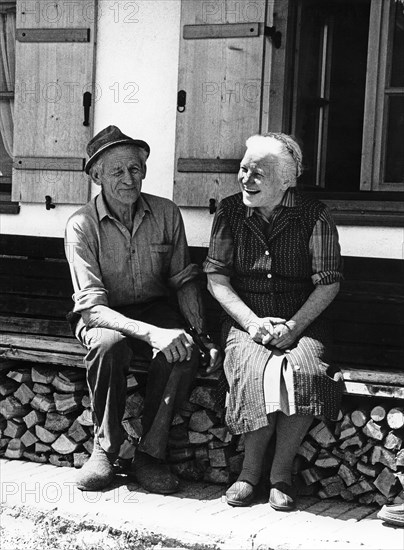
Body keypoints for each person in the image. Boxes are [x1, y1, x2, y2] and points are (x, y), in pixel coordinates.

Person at [65, 125, 221, 494]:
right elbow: (92, 308)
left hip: (154, 308)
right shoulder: (81, 225)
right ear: (96, 176)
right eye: (116, 171)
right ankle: (104, 447)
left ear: (145, 171)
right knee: (108, 346)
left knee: (183, 353)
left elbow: (184, 279)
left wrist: (200, 335)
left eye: (134, 168)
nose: (128, 178)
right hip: (105, 313)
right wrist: (152, 334)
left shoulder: (166, 213)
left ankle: (150, 454)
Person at [204, 133, 344, 511]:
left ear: (286, 180)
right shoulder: (230, 212)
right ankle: (249, 474)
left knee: (304, 371)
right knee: (253, 369)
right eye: (243, 168)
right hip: (245, 318)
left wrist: (294, 327)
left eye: (258, 173)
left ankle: (280, 474)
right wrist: (251, 323)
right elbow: (216, 277)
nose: (246, 179)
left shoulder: (315, 215)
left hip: (302, 319)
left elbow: (328, 281)